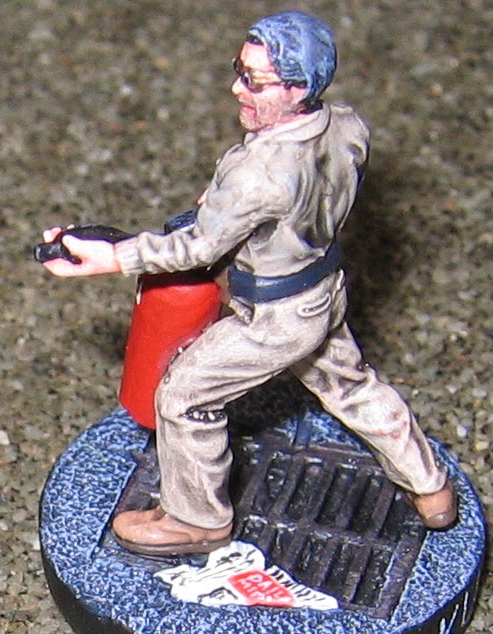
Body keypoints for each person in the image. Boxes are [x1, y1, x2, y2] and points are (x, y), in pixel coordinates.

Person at [41, 11, 456, 555]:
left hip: (273, 315)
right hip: (323, 290)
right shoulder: (347, 125)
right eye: (239, 70)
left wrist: (112, 256)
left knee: (184, 398)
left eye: (255, 82)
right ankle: (431, 487)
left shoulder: (259, 172)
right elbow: (299, 203)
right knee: (351, 387)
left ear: (298, 88)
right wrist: (230, 210)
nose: (238, 89)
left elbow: (198, 249)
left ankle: (197, 520)